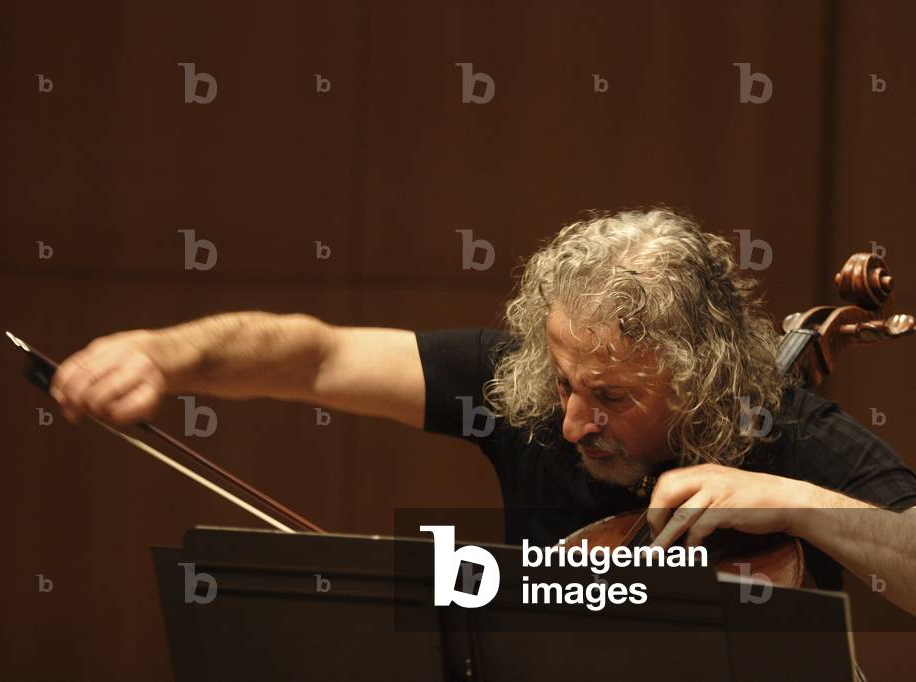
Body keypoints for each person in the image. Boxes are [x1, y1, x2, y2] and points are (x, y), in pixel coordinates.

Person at [49, 209, 916, 615]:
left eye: (612, 397)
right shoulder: (525, 389)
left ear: (700, 380)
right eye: (568, 380)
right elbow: (317, 352)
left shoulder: (787, 432)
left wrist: (799, 508)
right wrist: (167, 355)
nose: (574, 419)